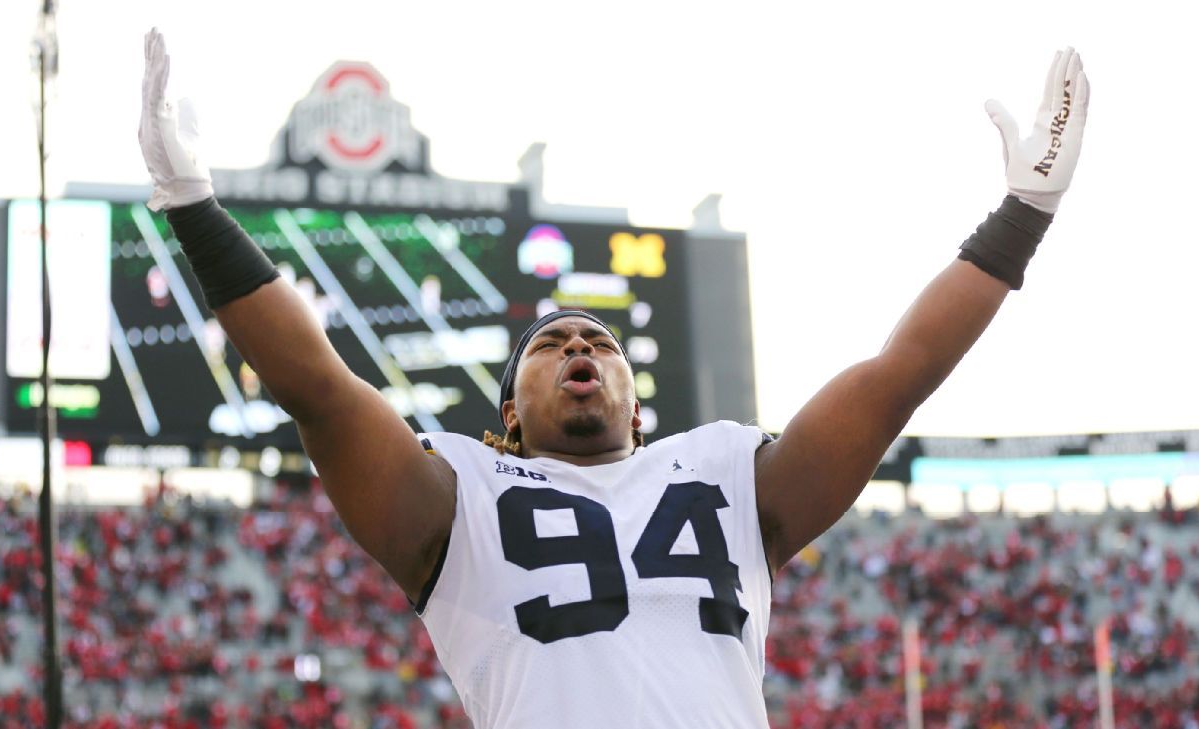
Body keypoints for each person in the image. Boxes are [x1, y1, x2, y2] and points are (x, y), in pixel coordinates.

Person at [139, 29, 1089, 728]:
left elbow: (898, 377)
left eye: (598, 340)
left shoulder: (724, 471)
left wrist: (1023, 214)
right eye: (550, 347)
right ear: (508, 414)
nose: (581, 349)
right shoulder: (458, 491)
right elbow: (319, 386)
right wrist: (193, 208)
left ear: (638, 395)